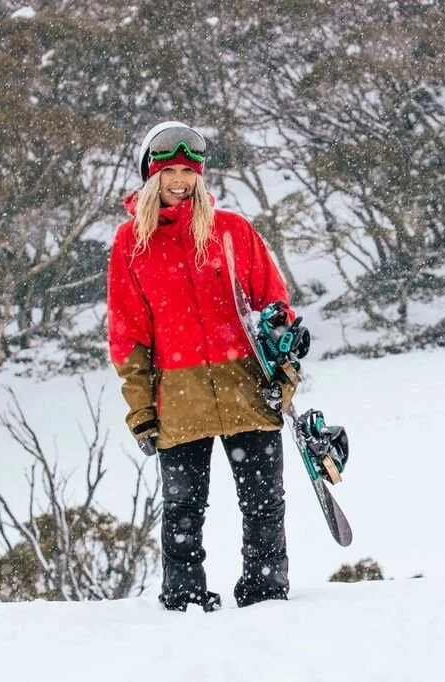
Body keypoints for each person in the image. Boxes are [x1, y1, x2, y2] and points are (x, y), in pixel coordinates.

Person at [107, 121, 309, 612]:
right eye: (169, 171)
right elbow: (127, 337)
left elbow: (274, 304)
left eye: (188, 171)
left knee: (265, 506)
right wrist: (140, 411)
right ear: (151, 177)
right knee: (182, 511)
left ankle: (266, 594)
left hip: (248, 390)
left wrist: (286, 372)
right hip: (178, 399)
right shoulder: (131, 243)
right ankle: (185, 597)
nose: (180, 180)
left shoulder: (233, 232)